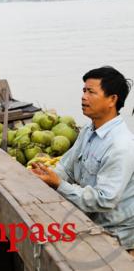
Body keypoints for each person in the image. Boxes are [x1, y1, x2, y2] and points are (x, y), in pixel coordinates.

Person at [31, 66, 134, 255]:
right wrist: (46, 175)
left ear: (112, 99)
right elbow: (67, 168)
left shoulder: (121, 145)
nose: (83, 97)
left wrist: (59, 184)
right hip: (88, 221)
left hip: (117, 238)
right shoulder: (88, 130)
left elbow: (104, 200)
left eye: (91, 92)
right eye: (83, 90)